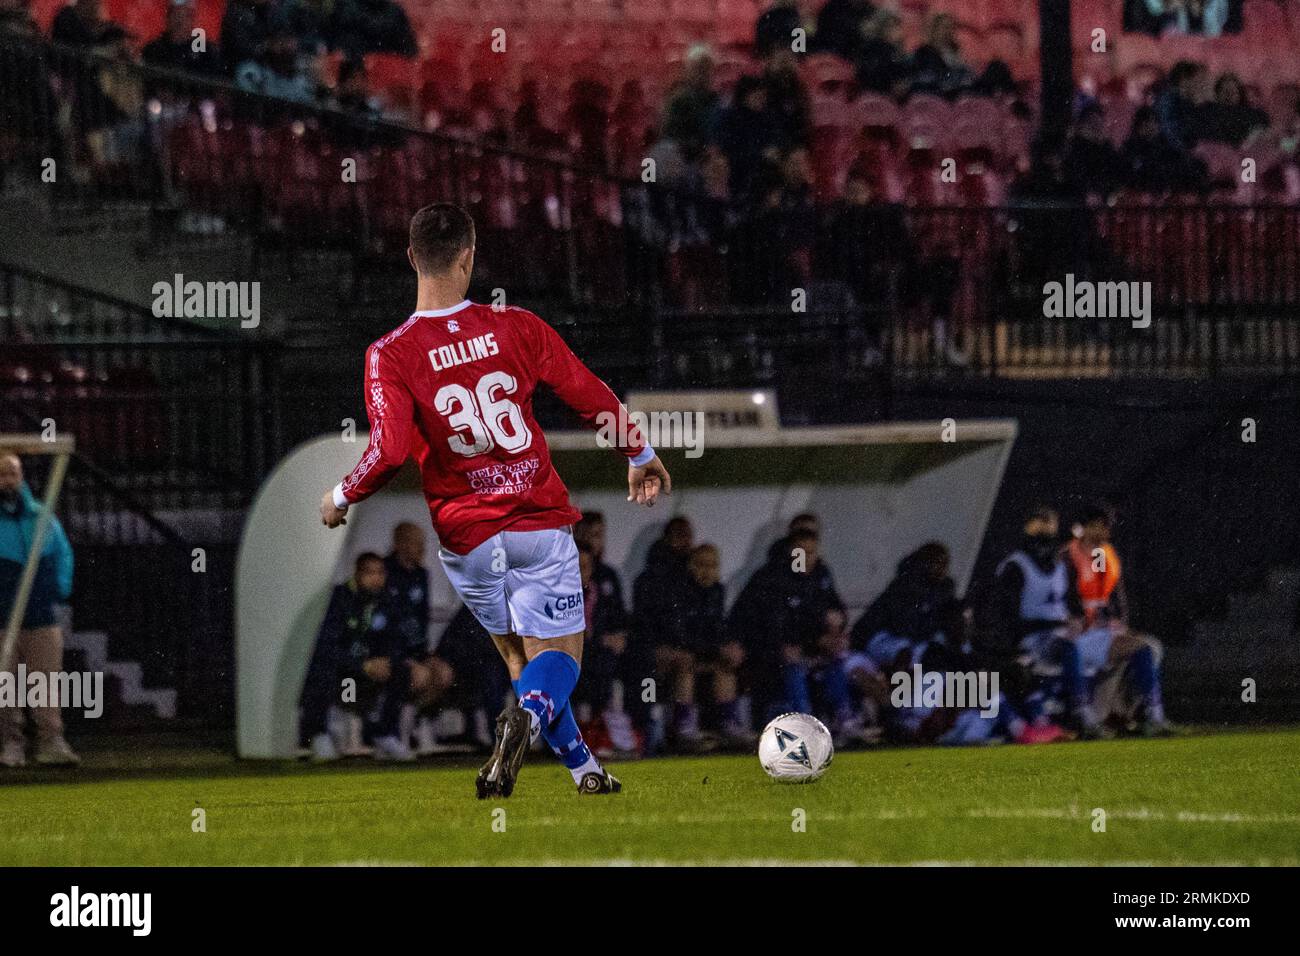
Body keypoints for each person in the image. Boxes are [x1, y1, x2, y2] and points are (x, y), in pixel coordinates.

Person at [320, 203, 672, 797]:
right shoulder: (517, 325)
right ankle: (527, 721)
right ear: (469, 256)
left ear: (410, 258)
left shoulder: (390, 353)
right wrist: (638, 454)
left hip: (468, 538)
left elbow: (389, 450)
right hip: (537, 522)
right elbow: (587, 393)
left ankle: (583, 770)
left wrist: (340, 495)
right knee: (560, 661)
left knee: (518, 658)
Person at [0, 453, 78, 767]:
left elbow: (63, 555)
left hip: (41, 616)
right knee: (5, 685)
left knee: (45, 682)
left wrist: (58, 589)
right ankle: (11, 743)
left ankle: (50, 741)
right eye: (2, 474)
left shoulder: (41, 517)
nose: (7, 481)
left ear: (21, 478)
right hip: (1, 618)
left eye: (12, 474)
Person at [1064, 505, 1169, 736]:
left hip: (1099, 634)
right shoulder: (1068, 556)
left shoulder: (1100, 554)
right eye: (1104, 525)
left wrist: (1116, 619)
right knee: (1143, 649)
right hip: (1078, 636)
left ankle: (1134, 712)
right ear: (1090, 525)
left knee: (1150, 648)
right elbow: (1065, 598)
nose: (1108, 531)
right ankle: (1150, 714)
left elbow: (1108, 595)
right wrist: (1079, 618)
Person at [142, 0, 224, 77]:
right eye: (175, 14)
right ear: (168, 17)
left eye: (186, 15)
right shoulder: (155, 48)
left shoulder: (204, 49)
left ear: (192, 18)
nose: (180, 20)